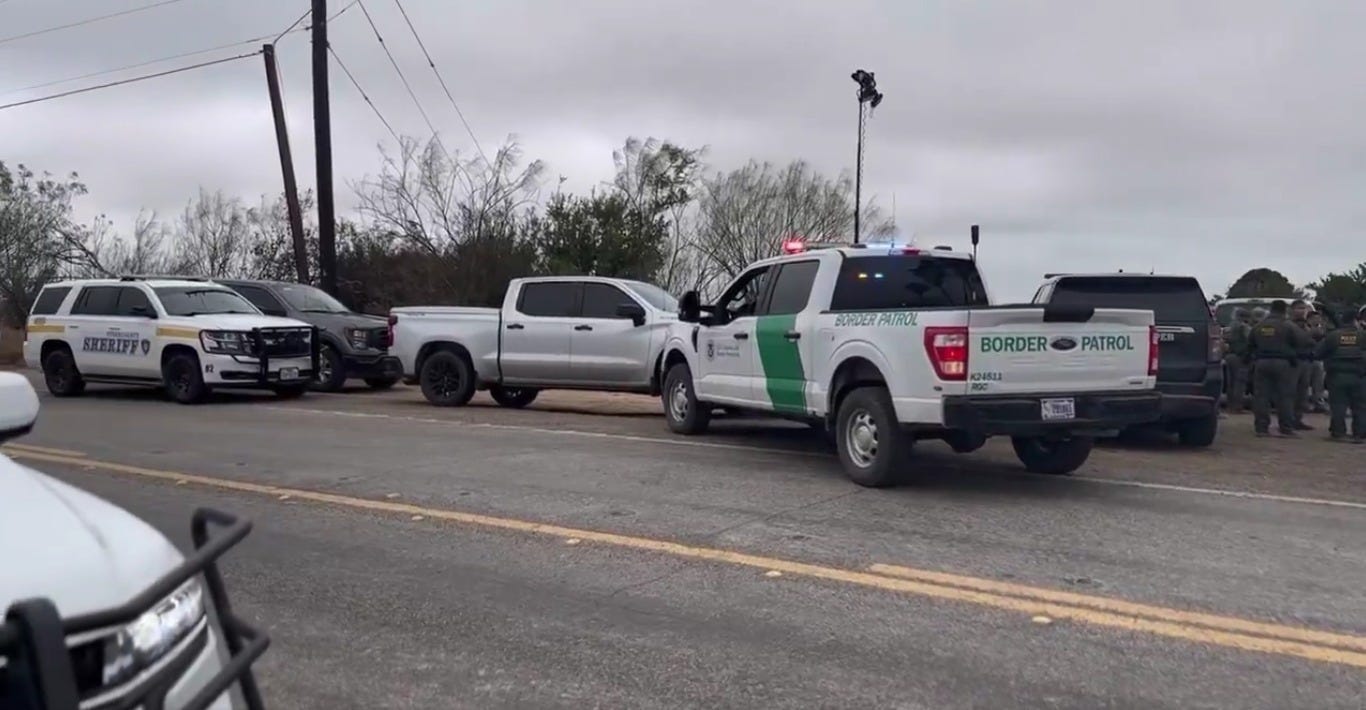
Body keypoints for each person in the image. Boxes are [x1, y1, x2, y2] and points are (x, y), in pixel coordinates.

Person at [1249, 300, 1310, 437]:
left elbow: (1250, 344)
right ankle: (1286, 428)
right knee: (1285, 396)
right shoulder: (1288, 326)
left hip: (1261, 362)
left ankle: (1261, 428)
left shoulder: (1259, 326)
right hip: (1283, 363)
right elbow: (1304, 341)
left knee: (1261, 397)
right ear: (1285, 310)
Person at [1315, 306, 1366, 442]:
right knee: (1360, 406)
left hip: (1337, 376)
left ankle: (1338, 433)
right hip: (1359, 376)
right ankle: (1360, 434)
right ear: (1356, 320)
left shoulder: (1333, 336)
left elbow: (1318, 353)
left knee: (1338, 406)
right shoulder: (1363, 336)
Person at [1289, 299, 1316, 429]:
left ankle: (1297, 419)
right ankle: (1288, 420)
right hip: (1293, 361)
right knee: (1291, 392)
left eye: (1304, 308)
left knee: (1302, 393)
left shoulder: (1307, 325)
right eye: (1299, 308)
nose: (1302, 311)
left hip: (1306, 360)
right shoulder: (1288, 325)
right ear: (1292, 310)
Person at [1222, 308, 1253, 413]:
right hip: (1240, 357)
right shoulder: (1243, 327)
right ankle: (1237, 407)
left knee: (1230, 383)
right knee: (1240, 383)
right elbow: (1251, 340)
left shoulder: (1229, 327)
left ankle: (1230, 406)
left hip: (1229, 356)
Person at [1306, 311, 1329, 413]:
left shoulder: (1321, 328)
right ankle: (1303, 403)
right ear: (1309, 318)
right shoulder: (1304, 327)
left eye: (1319, 318)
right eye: (1315, 318)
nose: (1318, 320)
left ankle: (1318, 403)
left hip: (1317, 360)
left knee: (1318, 384)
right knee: (1303, 383)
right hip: (1305, 359)